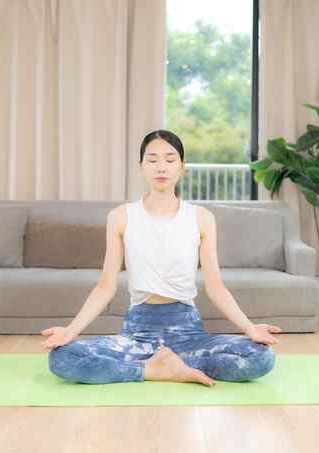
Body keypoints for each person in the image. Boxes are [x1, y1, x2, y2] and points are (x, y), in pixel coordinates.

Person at [41, 129, 281, 386]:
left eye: (170, 159)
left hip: (188, 335)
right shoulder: (120, 216)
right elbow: (105, 287)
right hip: (137, 336)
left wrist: (249, 328)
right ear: (141, 167)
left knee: (261, 357)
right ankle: (155, 369)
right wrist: (70, 331)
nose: (161, 167)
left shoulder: (201, 218)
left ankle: (161, 365)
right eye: (152, 160)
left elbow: (216, 287)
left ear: (182, 167)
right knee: (62, 358)